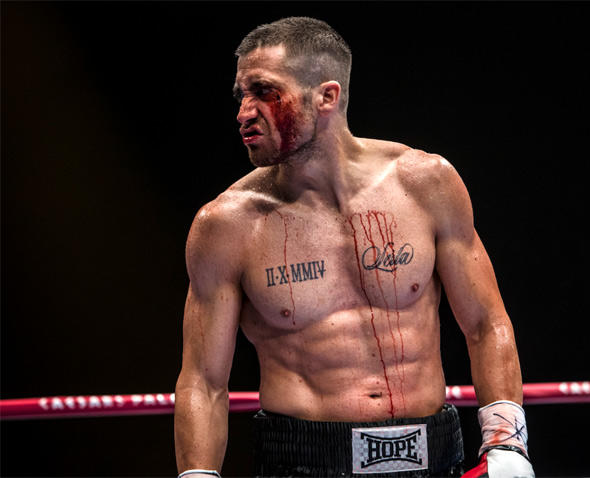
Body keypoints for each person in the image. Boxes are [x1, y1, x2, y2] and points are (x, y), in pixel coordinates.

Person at [174, 16, 534, 478]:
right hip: (302, 462)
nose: (244, 112)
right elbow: (203, 381)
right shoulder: (227, 225)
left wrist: (507, 442)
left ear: (327, 96)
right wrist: (197, 475)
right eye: (240, 95)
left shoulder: (425, 184)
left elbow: (486, 323)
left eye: (263, 92)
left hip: (436, 455)